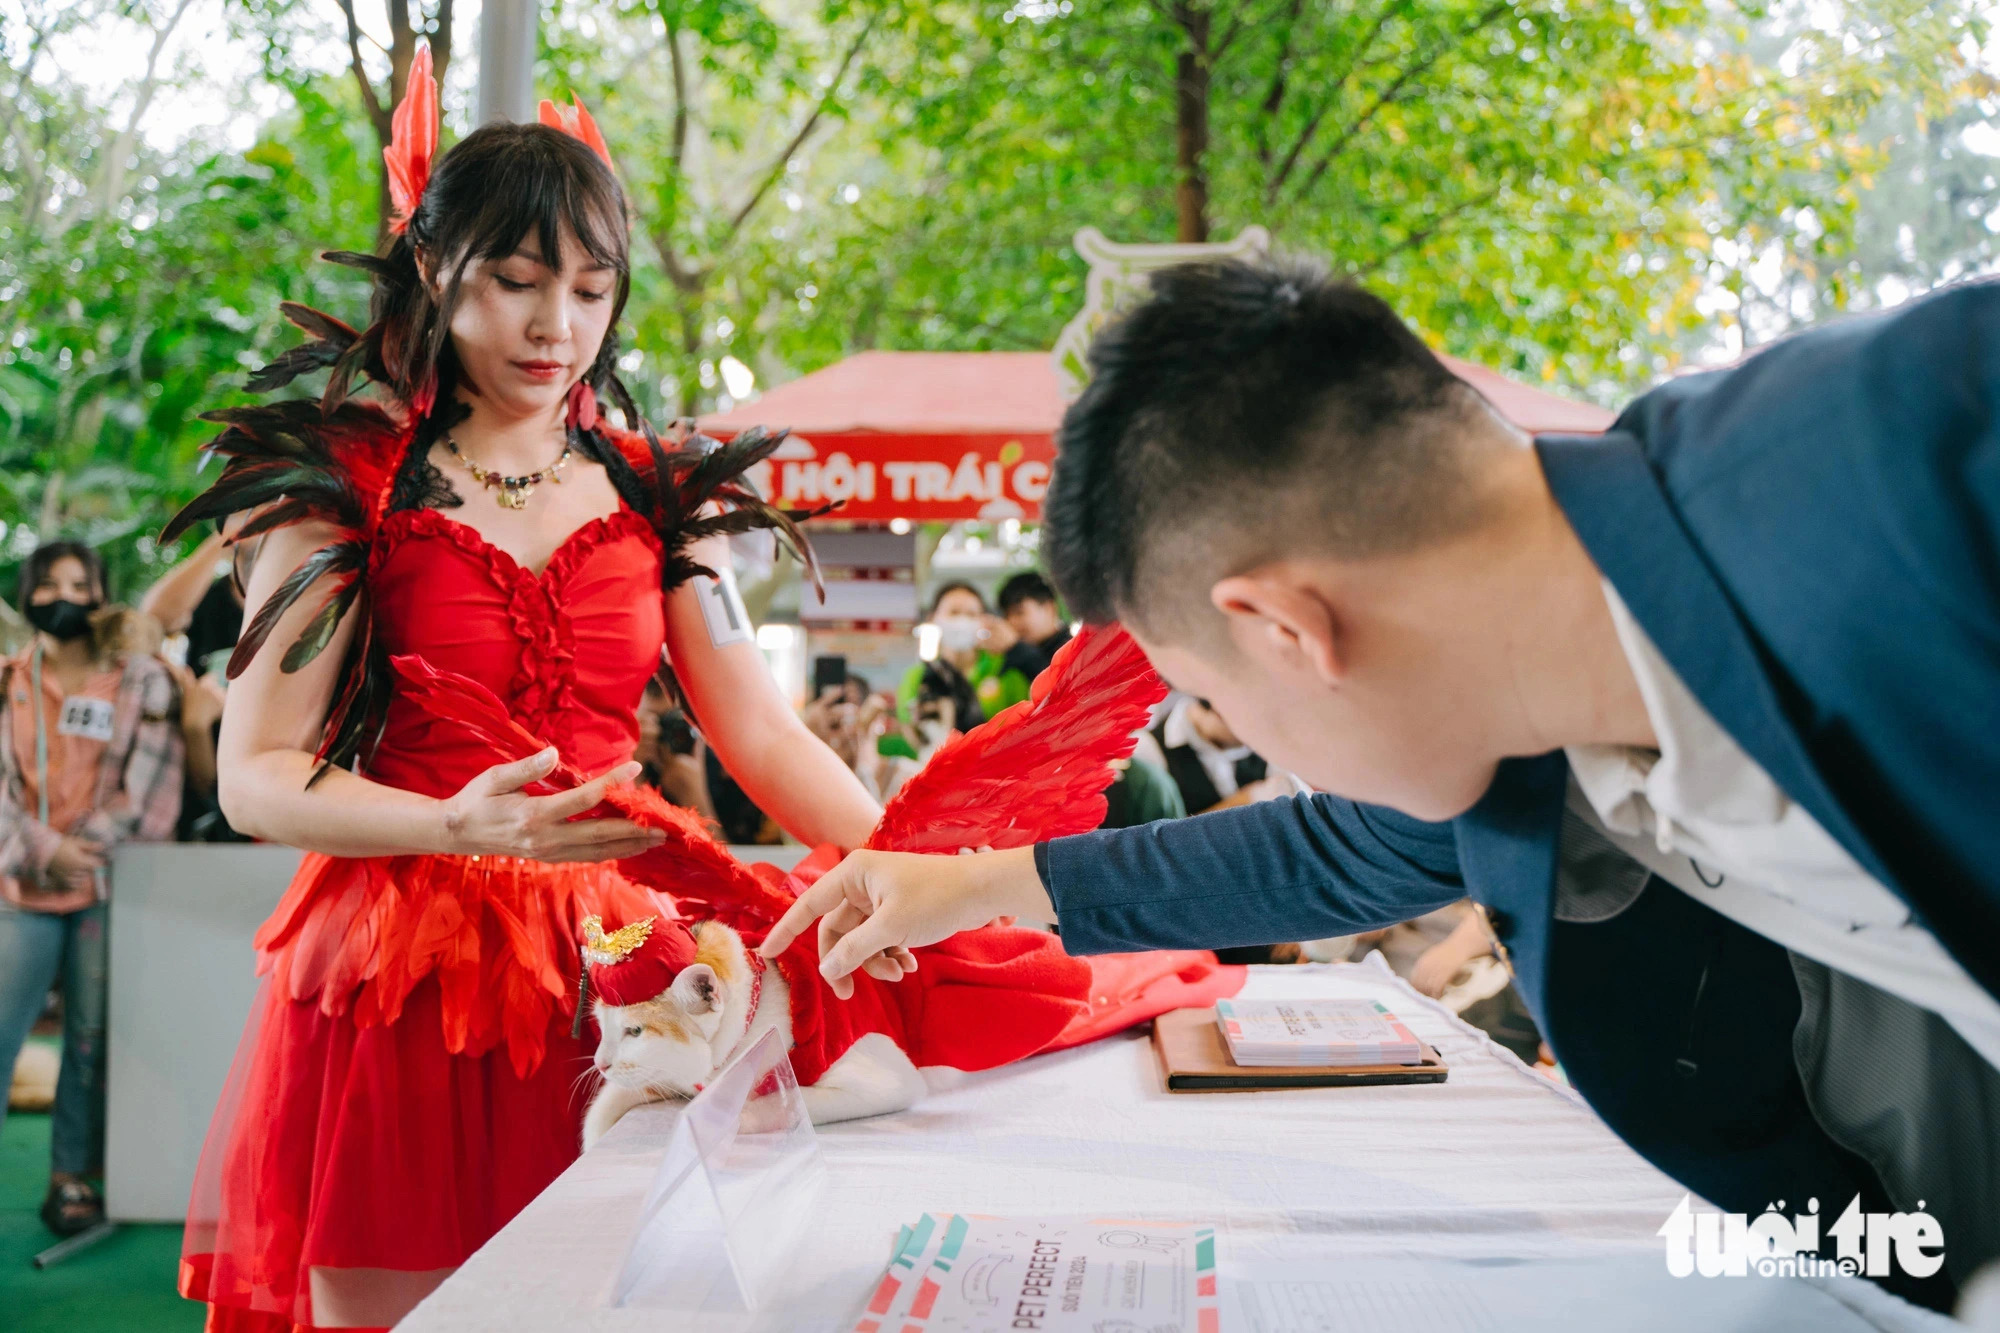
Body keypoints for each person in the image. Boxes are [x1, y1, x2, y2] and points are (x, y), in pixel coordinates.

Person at [765, 259, 2000, 1309]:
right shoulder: (1522, 730)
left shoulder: (1926, 446)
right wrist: (981, 882)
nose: (1254, 745)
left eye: (1223, 696)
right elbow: (1321, 855)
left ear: (1287, 634)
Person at [174, 56, 883, 1331]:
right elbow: (254, 776)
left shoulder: (663, 495)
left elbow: (762, 733)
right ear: (434, 271)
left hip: (638, 973)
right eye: (514, 282)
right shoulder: (347, 489)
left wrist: (908, 861)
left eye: (590, 289)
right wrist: (455, 825)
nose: (555, 325)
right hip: (405, 970)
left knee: (626, 1300)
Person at [0, 540, 184, 1236]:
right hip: (20, 883)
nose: (65, 595)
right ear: (26, 594)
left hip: (106, 886)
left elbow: (155, 787)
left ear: (102, 593)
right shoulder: (6, 679)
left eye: (81, 581)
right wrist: (45, 849)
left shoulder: (143, 682)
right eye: (48, 583)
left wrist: (87, 848)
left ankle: (70, 1178)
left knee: (88, 1038)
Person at [139, 528, 245, 840]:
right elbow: (154, 617)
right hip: (206, 809)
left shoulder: (309, 607)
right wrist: (226, 537)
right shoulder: (209, 603)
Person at [897, 582, 1030, 730]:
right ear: (933, 618)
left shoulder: (1006, 671)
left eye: (971, 614)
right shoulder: (916, 677)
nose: (962, 621)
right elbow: (911, 730)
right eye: (954, 612)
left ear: (983, 621)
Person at [995, 570, 1072, 681]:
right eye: (1007, 616)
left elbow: (1056, 686)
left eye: (1019, 612)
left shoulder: (1073, 649)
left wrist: (1016, 647)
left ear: (1049, 608)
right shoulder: (1014, 653)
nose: (1012, 622)